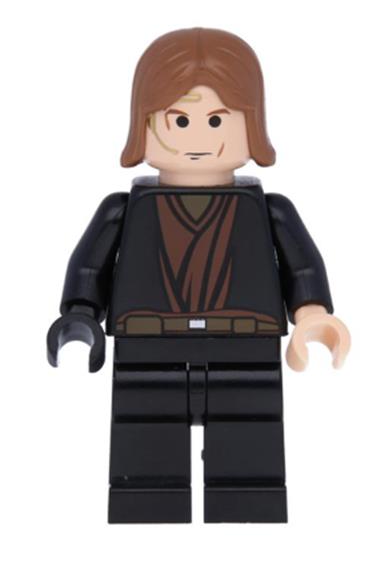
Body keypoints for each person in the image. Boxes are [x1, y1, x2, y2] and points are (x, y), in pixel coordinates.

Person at [47, 28, 351, 523]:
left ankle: (247, 508)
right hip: (147, 347)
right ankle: (147, 507)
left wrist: (312, 316)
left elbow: (302, 267)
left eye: (215, 120)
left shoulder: (269, 209)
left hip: (246, 347)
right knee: (144, 446)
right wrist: (80, 316)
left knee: (250, 445)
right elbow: (89, 266)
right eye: (181, 120)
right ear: (143, 124)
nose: (198, 139)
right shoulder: (124, 209)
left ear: (252, 126)